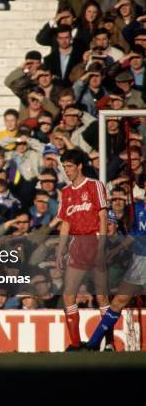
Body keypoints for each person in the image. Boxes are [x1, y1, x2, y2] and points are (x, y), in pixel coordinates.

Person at [55, 149, 110, 351]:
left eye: (69, 166)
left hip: (95, 240)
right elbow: (66, 224)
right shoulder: (66, 192)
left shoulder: (94, 186)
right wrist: (60, 251)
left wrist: (102, 247)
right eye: (64, 167)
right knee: (68, 295)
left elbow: (103, 217)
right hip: (77, 245)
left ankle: (110, 343)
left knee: (102, 296)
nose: (66, 170)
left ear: (79, 166)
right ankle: (76, 344)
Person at [87, 198, 146, 350]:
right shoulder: (139, 208)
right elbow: (134, 233)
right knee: (118, 301)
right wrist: (116, 250)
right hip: (140, 261)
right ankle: (93, 343)